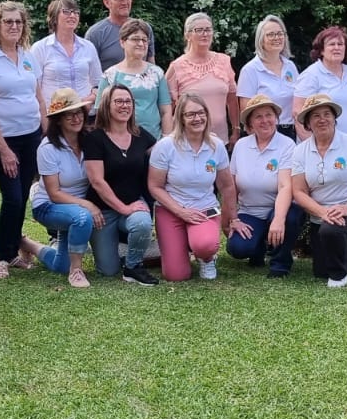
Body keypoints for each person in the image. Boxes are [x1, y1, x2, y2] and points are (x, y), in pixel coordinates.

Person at [0, 1, 47, 279]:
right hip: (5, 139)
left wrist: (47, 132)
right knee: (12, 198)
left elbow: (38, 98)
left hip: (32, 136)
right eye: (8, 21)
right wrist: (3, 149)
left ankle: (14, 251)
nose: (14, 26)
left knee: (22, 196)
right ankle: (3, 257)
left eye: (18, 21)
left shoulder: (28, 56)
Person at [289, 93, 347, 288]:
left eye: (327, 114)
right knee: (320, 270)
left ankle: (339, 275)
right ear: (308, 123)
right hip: (320, 212)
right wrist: (322, 212)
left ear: (334, 118)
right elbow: (298, 191)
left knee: (330, 232)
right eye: (316, 116)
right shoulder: (300, 151)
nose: (322, 119)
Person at [148, 92, 240, 281]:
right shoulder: (165, 146)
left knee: (204, 245)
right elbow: (155, 186)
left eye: (201, 113)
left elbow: (227, 186)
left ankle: (207, 258)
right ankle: (180, 247)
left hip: (204, 209)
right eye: (190, 114)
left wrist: (232, 219)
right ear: (180, 118)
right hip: (171, 209)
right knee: (175, 275)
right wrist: (181, 212)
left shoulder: (216, 146)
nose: (197, 118)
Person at [18, 88, 99, 288]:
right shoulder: (48, 148)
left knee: (60, 265)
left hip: (74, 209)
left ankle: (26, 244)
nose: (76, 118)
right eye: (68, 114)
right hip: (49, 206)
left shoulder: (90, 140)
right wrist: (87, 204)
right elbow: (54, 194)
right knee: (83, 217)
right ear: (58, 120)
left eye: (78, 112)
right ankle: (76, 271)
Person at [82, 82, 158, 285]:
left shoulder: (140, 135)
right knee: (108, 270)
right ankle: (116, 249)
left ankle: (133, 266)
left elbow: (164, 154)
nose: (125, 105)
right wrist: (123, 208)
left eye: (128, 101)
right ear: (107, 105)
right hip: (103, 212)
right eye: (119, 101)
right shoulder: (95, 139)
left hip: (133, 203)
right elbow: (97, 181)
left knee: (142, 223)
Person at [226, 93, 303, 277]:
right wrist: (231, 219)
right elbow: (231, 186)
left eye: (269, 115)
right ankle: (258, 247)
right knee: (237, 248)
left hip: (278, 208)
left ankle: (280, 263)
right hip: (250, 211)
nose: (265, 120)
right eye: (258, 116)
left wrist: (278, 219)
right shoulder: (241, 145)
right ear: (250, 123)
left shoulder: (287, 145)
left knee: (291, 217)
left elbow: (285, 186)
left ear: (276, 118)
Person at [166, 12, 237, 144]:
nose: (205, 34)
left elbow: (232, 99)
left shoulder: (224, 61)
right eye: (199, 30)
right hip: (187, 141)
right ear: (187, 35)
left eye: (208, 29)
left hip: (220, 140)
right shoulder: (176, 67)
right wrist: (167, 138)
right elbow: (167, 108)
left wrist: (236, 128)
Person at [97, 18, 172, 136]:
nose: (141, 44)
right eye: (136, 39)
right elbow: (101, 112)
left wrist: (166, 139)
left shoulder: (156, 73)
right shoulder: (110, 75)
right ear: (122, 42)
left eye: (144, 40)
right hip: (121, 140)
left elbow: (166, 111)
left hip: (154, 139)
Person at [35, 0, 102, 116]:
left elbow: (99, 83)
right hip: (54, 116)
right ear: (54, 17)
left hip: (85, 115)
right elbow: (34, 88)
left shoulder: (88, 47)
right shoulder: (40, 48)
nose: (72, 15)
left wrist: (88, 100)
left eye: (76, 12)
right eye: (66, 11)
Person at [236, 15, 299, 141]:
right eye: (271, 34)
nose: (277, 38)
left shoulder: (290, 66)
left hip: (291, 133)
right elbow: (246, 114)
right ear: (261, 40)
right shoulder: (250, 70)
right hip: (264, 133)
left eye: (280, 33)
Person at [294, 26, 347, 141]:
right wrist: (313, 146)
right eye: (331, 44)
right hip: (321, 146)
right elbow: (297, 114)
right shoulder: (311, 75)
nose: (336, 48)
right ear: (321, 50)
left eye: (340, 44)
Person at [85, 0, 155, 67]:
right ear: (107, 2)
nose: (124, 2)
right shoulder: (95, 33)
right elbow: (88, 69)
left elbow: (151, 64)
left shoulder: (144, 28)